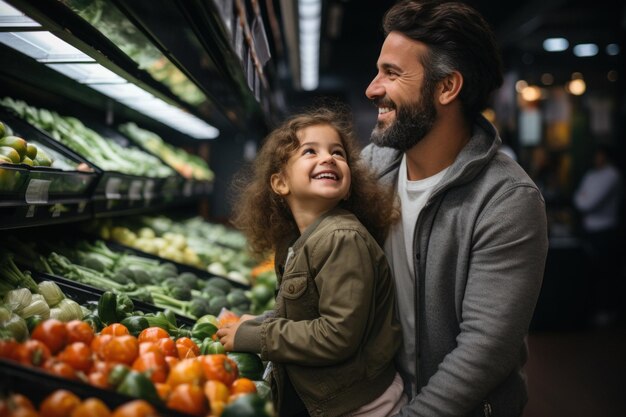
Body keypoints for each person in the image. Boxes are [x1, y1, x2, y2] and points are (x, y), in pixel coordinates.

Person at [361, 1, 549, 416]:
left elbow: (485, 350)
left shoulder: (506, 199)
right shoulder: (372, 166)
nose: (372, 89)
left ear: (447, 87)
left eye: (391, 73)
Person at [217, 107, 406, 417]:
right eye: (310, 151)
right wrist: (259, 321)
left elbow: (336, 335)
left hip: (361, 407)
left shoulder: (342, 239)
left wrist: (257, 335)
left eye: (337, 153)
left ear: (348, 187)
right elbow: (306, 313)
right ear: (280, 184)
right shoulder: (299, 241)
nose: (329, 158)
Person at [573, 144, 623, 326]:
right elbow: (578, 199)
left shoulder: (612, 175)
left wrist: (585, 198)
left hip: (606, 230)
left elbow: (588, 203)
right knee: (592, 272)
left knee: (606, 273)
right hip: (589, 230)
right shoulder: (591, 175)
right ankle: (595, 309)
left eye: (599, 155)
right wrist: (584, 198)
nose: (596, 158)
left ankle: (607, 311)